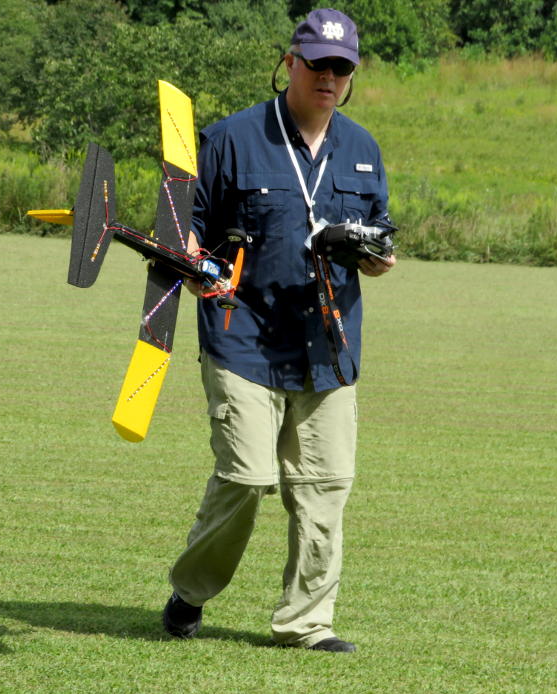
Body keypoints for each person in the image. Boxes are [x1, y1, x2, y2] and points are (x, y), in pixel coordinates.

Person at [161, 8, 396, 652]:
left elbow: (383, 243)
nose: (328, 76)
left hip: (329, 347)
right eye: (317, 63)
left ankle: (306, 624)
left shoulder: (364, 151)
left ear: (351, 75)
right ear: (290, 62)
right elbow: (188, 225)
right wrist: (185, 254)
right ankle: (191, 591)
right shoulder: (232, 138)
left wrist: (376, 258)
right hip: (242, 335)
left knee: (326, 488)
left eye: (340, 67)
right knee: (245, 477)